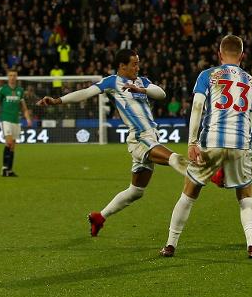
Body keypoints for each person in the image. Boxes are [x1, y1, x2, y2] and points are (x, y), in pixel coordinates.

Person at [37, 48, 189, 236]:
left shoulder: (142, 81)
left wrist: (141, 89)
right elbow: (85, 92)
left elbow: (161, 94)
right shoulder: (112, 82)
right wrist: (57, 101)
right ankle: (204, 173)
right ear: (122, 66)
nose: (137, 67)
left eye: (138, 63)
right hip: (139, 137)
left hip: (152, 137)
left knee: (136, 191)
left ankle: (99, 217)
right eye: (134, 64)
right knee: (174, 158)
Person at [161, 34, 252, 259]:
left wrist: (192, 142)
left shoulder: (208, 75)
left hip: (212, 142)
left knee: (189, 194)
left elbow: (198, 107)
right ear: (242, 56)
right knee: (245, 197)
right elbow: (250, 121)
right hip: (240, 144)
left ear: (219, 54)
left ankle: (170, 245)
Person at [0, 69, 33, 177]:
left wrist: (28, 119)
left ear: (17, 77)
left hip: (16, 120)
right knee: (8, 142)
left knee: (12, 146)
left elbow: (24, 107)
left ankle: (9, 170)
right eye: (10, 75)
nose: (12, 77)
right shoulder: (3, 89)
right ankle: (4, 168)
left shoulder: (20, 90)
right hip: (5, 119)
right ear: (8, 77)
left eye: (14, 75)